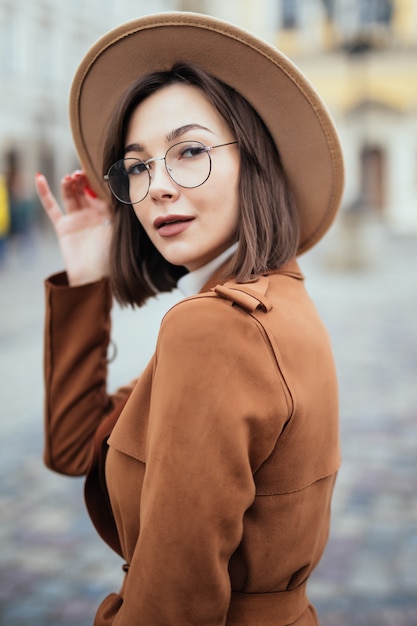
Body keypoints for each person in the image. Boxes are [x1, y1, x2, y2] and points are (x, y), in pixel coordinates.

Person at [35, 12, 344, 626]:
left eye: (191, 151)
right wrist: (87, 273)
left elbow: (172, 606)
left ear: (255, 160)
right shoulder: (270, 304)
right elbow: (76, 449)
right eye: (140, 165)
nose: (158, 187)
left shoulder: (216, 329)